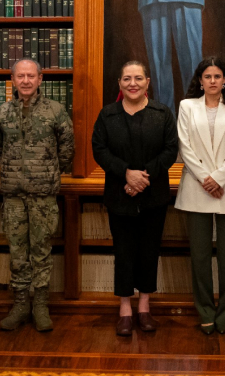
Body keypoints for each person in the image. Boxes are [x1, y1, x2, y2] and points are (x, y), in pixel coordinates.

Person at [91, 61, 179, 336]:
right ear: (119, 83)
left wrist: (142, 178)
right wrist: (126, 175)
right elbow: (99, 150)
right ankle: (125, 310)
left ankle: (144, 307)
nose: (133, 83)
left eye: (138, 78)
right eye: (127, 78)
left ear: (147, 81)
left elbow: (170, 150)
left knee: (149, 252)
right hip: (119, 195)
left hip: (154, 196)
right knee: (124, 253)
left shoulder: (162, 113)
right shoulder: (108, 115)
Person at [0, 58, 74, 332]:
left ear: (40, 79)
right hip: (13, 195)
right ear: (13, 79)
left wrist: (44, 173)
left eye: (31, 76)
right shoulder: (2, 112)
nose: (25, 80)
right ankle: (21, 304)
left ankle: (40, 305)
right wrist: (16, 173)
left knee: (41, 250)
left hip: (43, 195)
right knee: (17, 252)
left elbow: (67, 149)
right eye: (20, 76)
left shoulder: (56, 111)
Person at [175, 57, 225, 335]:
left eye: (218, 76)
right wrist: (206, 179)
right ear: (200, 80)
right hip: (197, 189)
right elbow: (184, 144)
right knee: (200, 257)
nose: (213, 81)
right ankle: (205, 311)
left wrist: (218, 178)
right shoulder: (187, 106)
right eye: (208, 76)